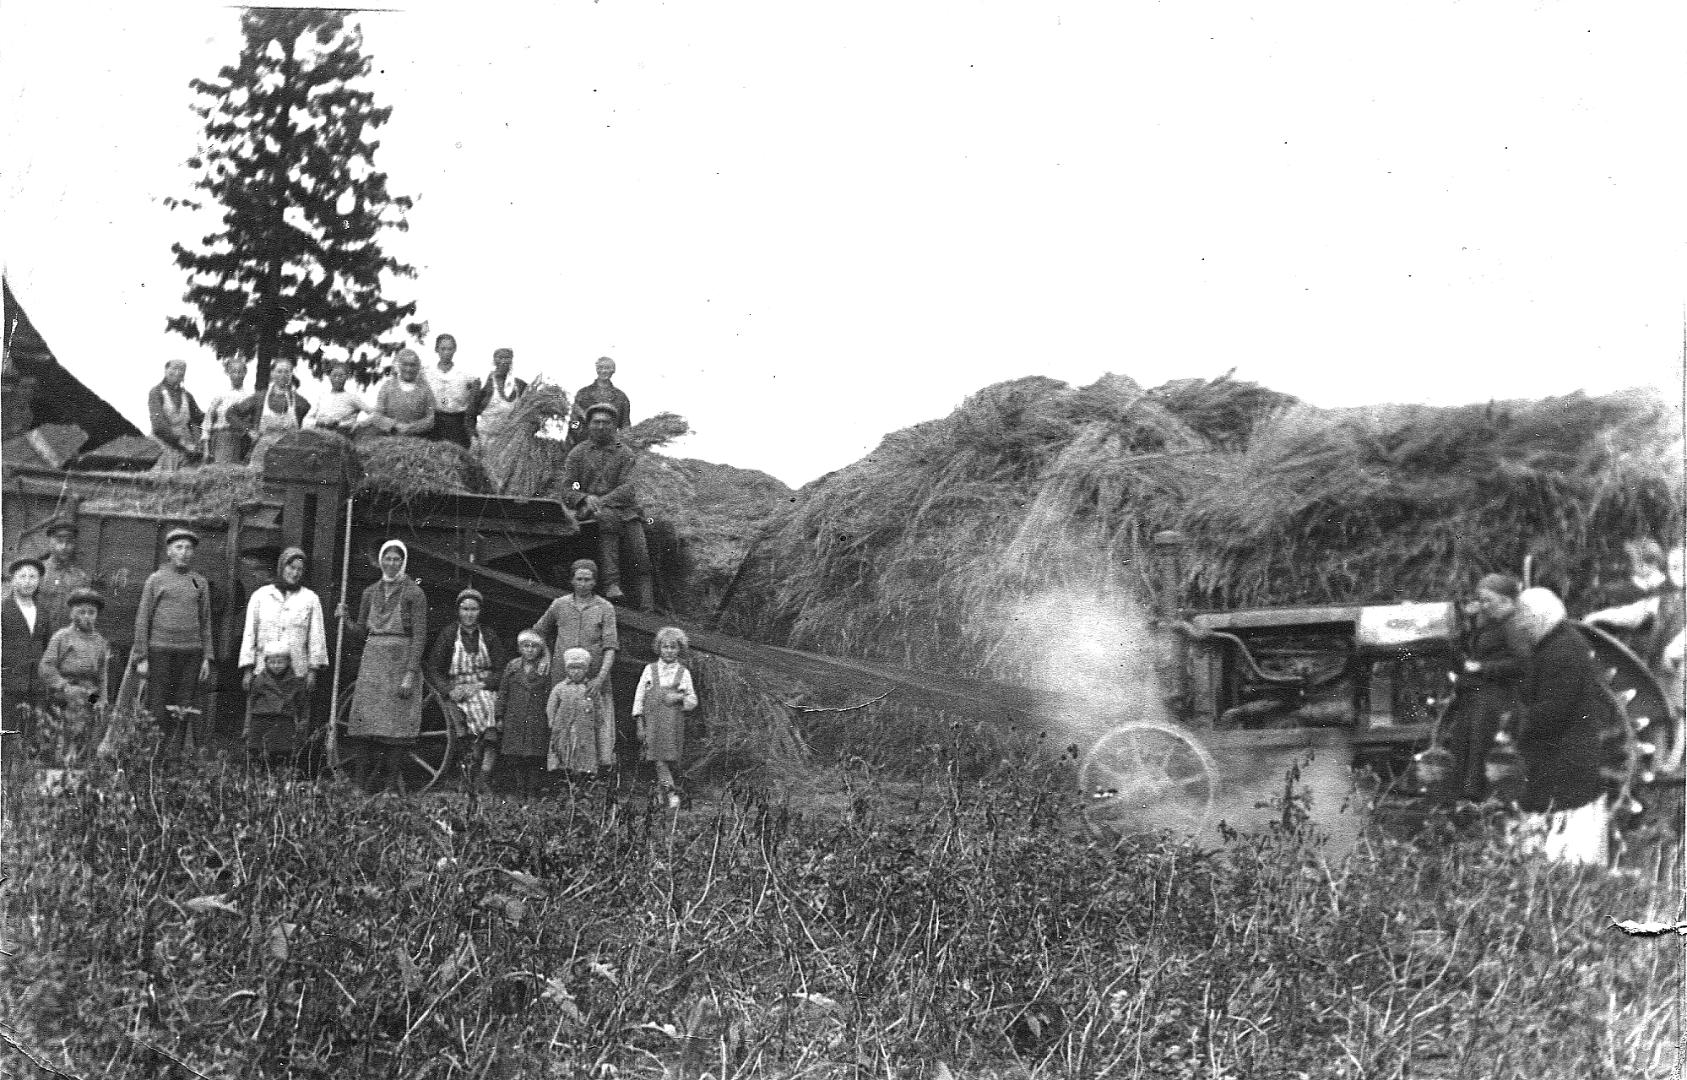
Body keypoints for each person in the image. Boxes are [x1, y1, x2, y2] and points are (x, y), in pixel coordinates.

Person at [1511, 586, 1620, 865]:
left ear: (1538, 618)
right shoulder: (1559, 645)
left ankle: (1564, 880)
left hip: (1564, 757)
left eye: (1523, 617)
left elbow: (1554, 710)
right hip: (1563, 755)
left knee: (1565, 833)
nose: (1520, 624)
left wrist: (1523, 731)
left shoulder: (1561, 651)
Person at [338, 540, 429, 794]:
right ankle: (358, 784)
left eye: (396, 559)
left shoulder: (414, 593)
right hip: (373, 661)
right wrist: (345, 620)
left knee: (396, 727)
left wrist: (410, 673)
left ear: (404, 562)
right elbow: (360, 633)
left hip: (400, 661)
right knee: (365, 723)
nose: (391, 564)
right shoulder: (370, 592)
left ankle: (390, 786)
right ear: (380, 561)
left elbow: (420, 635)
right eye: (387, 559)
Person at [1443, 573, 1529, 803]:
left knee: (1479, 749)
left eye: (1487, 601)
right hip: (1478, 695)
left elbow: (1522, 663)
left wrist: (1483, 668)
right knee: (1463, 746)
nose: (1482, 606)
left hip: (1496, 696)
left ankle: (1477, 799)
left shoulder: (1513, 627)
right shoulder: (1490, 625)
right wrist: (1469, 622)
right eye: (1480, 600)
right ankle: (1463, 800)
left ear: (1507, 602)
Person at [132, 528, 215, 763]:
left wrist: (207, 657)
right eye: (179, 547)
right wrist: (142, 657)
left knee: (183, 706)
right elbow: (142, 618)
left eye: (189, 548)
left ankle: (174, 757)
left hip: (191, 653)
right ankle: (153, 758)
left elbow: (206, 621)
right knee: (158, 707)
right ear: (169, 551)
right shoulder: (156, 579)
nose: (184, 553)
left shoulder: (199, 582)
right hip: (160, 652)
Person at [560, 403, 654, 609]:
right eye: (596, 422)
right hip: (592, 513)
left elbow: (628, 488)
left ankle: (648, 606)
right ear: (588, 425)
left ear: (615, 426)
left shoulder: (625, 454)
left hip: (625, 511)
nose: (601, 427)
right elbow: (567, 488)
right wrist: (584, 498)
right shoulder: (578, 454)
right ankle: (611, 584)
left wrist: (601, 501)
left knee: (641, 556)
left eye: (606, 422)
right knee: (606, 520)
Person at [529, 559, 619, 773]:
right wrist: (546, 656)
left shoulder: (605, 608)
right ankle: (561, 774)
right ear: (572, 580)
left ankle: (593, 775)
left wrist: (600, 678)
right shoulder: (560, 605)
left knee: (595, 726)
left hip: (594, 679)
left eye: (588, 580)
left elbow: (610, 647)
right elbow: (538, 631)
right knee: (563, 724)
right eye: (579, 579)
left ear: (595, 582)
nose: (583, 584)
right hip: (563, 677)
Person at [237, 546, 328, 745]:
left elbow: (316, 637)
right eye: (290, 568)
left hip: (296, 671)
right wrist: (247, 668)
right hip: (264, 669)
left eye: (299, 570)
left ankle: (289, 762)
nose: (294, 573)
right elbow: (250, 633)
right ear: (281, 567)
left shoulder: (310, 599)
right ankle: (257, 760)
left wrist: (313, 670)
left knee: (292, 717)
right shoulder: (260, 596)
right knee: (260, 715)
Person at [427, 588, 506, 791]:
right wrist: (448, 689)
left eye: (473, 609)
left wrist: (480, 685)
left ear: (480, 611)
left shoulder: (488, 635)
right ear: (458, 611)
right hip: (457, 687)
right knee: (461, 715)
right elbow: (434, 668)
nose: (469, 614)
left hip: (482, 686)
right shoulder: (449, 634)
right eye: (465, 609)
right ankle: (468, 772)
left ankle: (484, 773)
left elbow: (501, 670)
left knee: (489, 706)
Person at [36, 587, 111, 767]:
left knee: (100, 710)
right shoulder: (62, 637)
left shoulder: (100, 642)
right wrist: (63, 685)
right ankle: (65, 757)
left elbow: (102, 674)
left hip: (89, 690)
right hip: (64, 689)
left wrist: (102, 700)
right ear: (72, 614)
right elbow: (46, 666)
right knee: (77, 705)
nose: (87, 617)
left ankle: (86, 758)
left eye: (91, 613)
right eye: (81, 612)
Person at [633, 626, 699, 808]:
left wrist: (678, 697)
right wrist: (640, 723)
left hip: (672, 723)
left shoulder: (683, 672)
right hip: (653, 722)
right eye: (665, 647)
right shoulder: (650, 670)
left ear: (679, 649)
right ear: (659, 648)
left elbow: (693, 700)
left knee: (669, 760)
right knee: (657, 758)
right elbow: (639, 697)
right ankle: (672, 795)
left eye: (673, 647)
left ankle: (664, 794)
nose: (669, 651)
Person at [3, 557, 52, 762]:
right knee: (8, 726)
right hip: (10, 680)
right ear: (13, 580)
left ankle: (27, 770)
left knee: (33, 726)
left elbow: (48, 644)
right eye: (22, 576)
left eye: (33, 576)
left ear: (39, 581)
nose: (28, 581)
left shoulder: (42, 610)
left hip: (36, 681)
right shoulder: (4, 609)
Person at [494, 629, 552, 796]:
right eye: (526, 646)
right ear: (520, 648)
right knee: (515, 756)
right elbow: (503, 692)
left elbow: (548, 694)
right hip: (515, 718)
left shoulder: (543, 669)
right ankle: (519, 789)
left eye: (534, 646)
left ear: (540, 649)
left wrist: (549, 717)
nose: (530, 650)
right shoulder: (512, 667)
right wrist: (499, 716)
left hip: (536, 719)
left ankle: (532, 790)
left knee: (534, 756)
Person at [234, 358, 312, 471]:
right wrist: (248, 431)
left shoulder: (300, 402)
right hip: (262, 453)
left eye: (287, 372)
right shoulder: (260, 398)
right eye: (279, 371)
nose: (283, 375)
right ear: (272, 374)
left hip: (290, 452)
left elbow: (310, 422)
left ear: (291, 375)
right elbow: (231, 413)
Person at [245, 641, 308, 774]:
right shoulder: (260, 681)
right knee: (258, 754)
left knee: (282, 754)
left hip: (283, 722)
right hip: (261, 721)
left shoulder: (295, 682)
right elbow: (251, 703)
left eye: (280, 662)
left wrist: (302, 723)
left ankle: (279, 778)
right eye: (272, 662)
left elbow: (302, 704)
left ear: (288, 662)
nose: (276, 666)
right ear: (266, 663)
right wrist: (247, 726)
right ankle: (258, 779)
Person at [548, 647, 601, 782]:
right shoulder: (560, 688)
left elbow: (598, 707)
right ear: (567, 670)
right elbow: (551, 706)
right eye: (572, 668)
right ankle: (564, 784)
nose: (576, 672)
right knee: (564, 754)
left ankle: (582, 784)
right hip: (564, 729)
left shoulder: (590, 688)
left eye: (580, 668)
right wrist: (552, 721)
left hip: (585, 730)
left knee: (583, 756)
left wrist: (597, 723)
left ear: (586, 670)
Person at [35, 514, 93, 631]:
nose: (64, 547)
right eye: (59, 541)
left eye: (69, 542)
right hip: (38, 639)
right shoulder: (37, 573)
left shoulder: (81, 578)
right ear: (50, 542)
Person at [148, 360, 205, 468]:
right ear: (165, 370)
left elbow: (199, 417)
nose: (178, 372)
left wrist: (217, 414)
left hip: (186, 442)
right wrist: (181, 443)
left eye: (182, 370)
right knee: (168, 467)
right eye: (174, 369)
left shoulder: (187, 396)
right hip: (163, 441)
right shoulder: (156, 392)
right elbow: (159, 426)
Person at [424, 333, 478, 448]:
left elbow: (475, 389)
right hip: (434, 421)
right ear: (436, 349)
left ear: (455, 350)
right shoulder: (427, 373)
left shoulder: (465, 374)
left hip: (457, 422)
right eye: (443, 349)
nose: (446, 352)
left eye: (450, 349)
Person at [368, 350, 437, 437]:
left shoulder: (425, 389)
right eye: (405, 364)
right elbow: (377, 416)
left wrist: (411, 427)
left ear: (418, 367)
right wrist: (394, 425)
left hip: (417, 441)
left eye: (412, 365)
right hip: (389, 441)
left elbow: (431, 418)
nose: (408, 369)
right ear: (399, 365)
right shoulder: (387, 387)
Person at [569, 356, 631, 446]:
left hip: (611, 445)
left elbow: (625, 425)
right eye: (600, 368)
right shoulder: (583, 394)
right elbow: (574, 421)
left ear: (613, 370)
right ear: (596, 369)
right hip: (585, 443)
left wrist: (623, 444)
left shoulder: (621, 397)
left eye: (607, 368)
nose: (603, 371)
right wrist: (575, 434)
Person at [203, 356, 254, 464]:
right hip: (221, 438)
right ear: (228, 373)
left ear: (245, 373)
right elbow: (208, 419)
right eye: (233, 372)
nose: (236, 375)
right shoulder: (220, 394)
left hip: (241, 441)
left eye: (240, 372)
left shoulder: (249, 396)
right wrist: (205, 446)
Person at [307, 360, 374, 437]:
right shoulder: (322, 397)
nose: (337, 379)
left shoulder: (352, 398)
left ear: (346, 377)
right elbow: (308, 418)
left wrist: (359, 425)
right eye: (334, 375)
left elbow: (373, 413)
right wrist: (318, 422)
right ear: (329, 377)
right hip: (319, 434)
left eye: (341, 376)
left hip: (340, 436)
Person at [472, 348, 528, 436]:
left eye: (507, 358)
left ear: (511, 361)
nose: (504, 361)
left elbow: (528, 410)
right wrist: (473, 438)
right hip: (484, 437)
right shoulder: (484, 383)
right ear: (494, 361)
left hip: (509, 439)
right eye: (500, 358)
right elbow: (471, 415)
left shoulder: (520, 385)